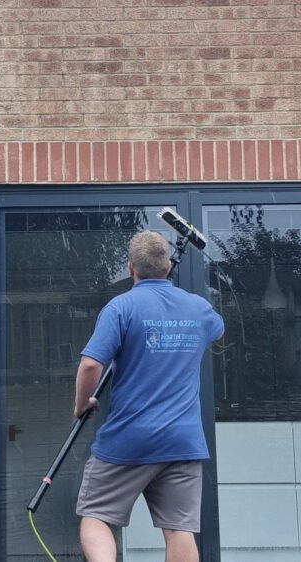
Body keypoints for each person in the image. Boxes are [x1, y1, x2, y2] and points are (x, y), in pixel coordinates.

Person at [73, 230, 224, 562]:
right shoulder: (198, 309)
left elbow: (89, 366)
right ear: (168, 266)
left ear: (130, 269)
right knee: (179, 529)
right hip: (181, 441)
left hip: (129, 438)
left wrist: (83, 404)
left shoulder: (121, 307)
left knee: (97, 515)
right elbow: (216, 329)